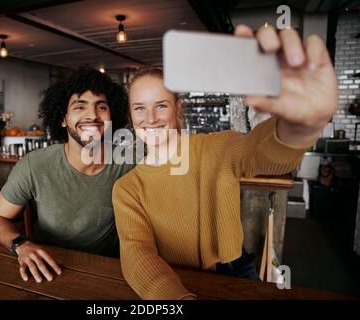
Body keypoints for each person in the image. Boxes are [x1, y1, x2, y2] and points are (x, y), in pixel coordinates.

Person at [112, 24, 338, 299]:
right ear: (131, 116)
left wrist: (298, 127)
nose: (150, 118)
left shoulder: (215, 147)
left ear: (177, 108)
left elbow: (262, 154)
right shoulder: (128, 188)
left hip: (235, 272)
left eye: (161, 105)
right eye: (140, 108)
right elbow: (137, 255)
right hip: (172, 279)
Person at [0, 67, 134, 283]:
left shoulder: (129, 161)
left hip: (109, 271)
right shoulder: (34, 165)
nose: (92, 115)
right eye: (79, 106)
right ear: (63, 119)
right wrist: (21, 245)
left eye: (101, 106)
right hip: (49, 270)